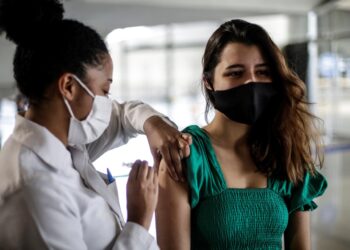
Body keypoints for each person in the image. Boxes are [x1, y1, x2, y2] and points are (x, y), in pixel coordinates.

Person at [0, 0, 191, 249]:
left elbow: (123, 115)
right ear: (69, 87)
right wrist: (138, 221)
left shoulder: (67, 144)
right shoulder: (34, 186)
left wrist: (153, 124)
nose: (106, 102)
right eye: (104, 90)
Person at [156, 19, 328, 250]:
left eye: (262, 72)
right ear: (208, 82)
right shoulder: (186, 156)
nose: (251, 83)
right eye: (235, 73)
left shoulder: (286, 149)